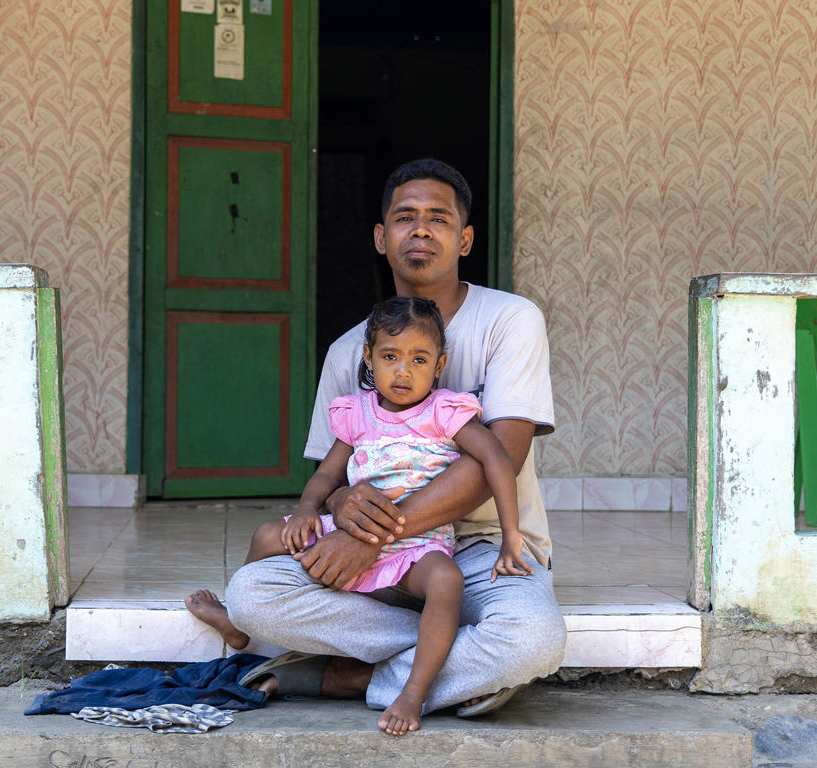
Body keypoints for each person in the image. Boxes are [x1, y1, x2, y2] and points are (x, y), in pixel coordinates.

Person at [218, 158, 565, 722]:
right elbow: (333, 477)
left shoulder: (509, 320)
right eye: (405, 218)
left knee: (533, 640)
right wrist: (341, 506)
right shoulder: (347, 353)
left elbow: (503, 452)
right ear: (382, 238)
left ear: (465, 239)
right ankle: (446, 658)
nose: (421, 229)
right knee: (251, 595)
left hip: (480, 552)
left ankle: (345, 676)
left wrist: (377, 534)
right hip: (376, 564)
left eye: (439, 218)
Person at [189, 295, 533, 734]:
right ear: (368, 358)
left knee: (447, 581)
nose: (403, 371)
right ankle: (236, 623)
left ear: (439, 365)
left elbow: (498, 458)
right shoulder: (357, 413)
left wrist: (511, 534)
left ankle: (412, 691)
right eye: (390, 357)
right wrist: (307, 510)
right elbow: (327, 475)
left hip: (416, 544)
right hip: (346, 530)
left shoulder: (446, 412)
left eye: (419, 359)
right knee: (266, 535)